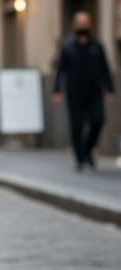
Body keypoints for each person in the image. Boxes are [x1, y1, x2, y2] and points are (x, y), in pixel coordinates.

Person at [52, 11, 115, 170]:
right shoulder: (68, 46)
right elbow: (61, 70)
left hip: (94, 92)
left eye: (85, 23)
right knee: (77, 125)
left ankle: (87, 150)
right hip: (75, 93)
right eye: (80, 24)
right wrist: (57, 90)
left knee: (98, 120)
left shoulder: (97, 46)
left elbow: (104, 67)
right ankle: (80, 158)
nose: (83, 26)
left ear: (90, 25)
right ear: (74, 26)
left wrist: (109, 88)